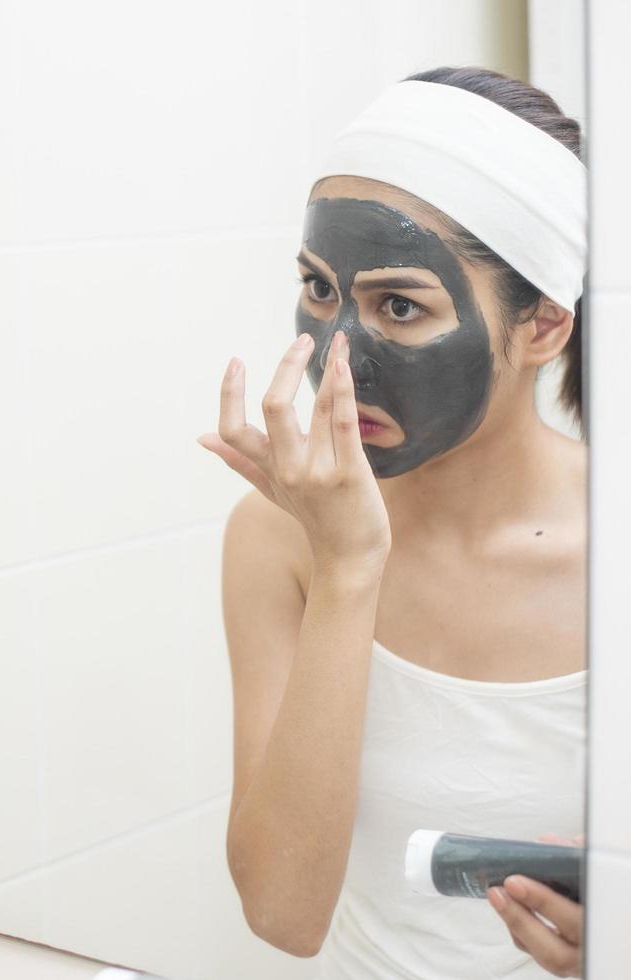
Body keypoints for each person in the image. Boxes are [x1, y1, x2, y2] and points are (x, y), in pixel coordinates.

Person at [201, 68, 587, 978]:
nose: (339, 357)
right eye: (319, 290)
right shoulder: (278, 538)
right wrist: (346, 569)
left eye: (400, 306)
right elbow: (282, 914)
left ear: (542, 326)